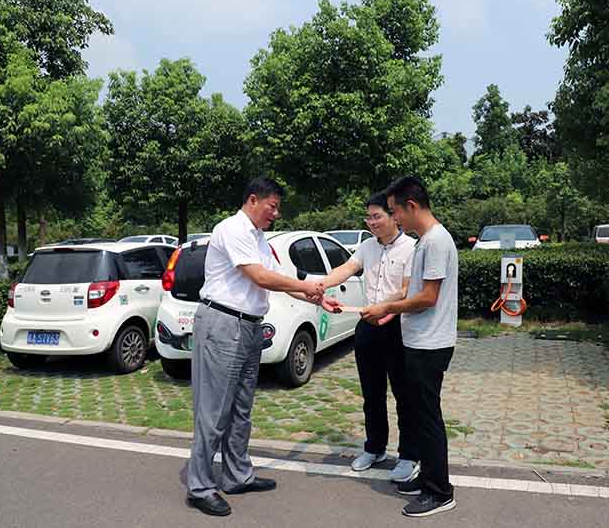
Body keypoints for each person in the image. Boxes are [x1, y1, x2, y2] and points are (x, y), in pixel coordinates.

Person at [186, 177, 339, 517]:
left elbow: (277, 280)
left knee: (241, 408)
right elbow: (260, 277)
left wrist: (318, 299)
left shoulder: (258, 238)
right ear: (253, 200)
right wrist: (305, 285)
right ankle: (200, 487)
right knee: (213, 411)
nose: (276, 214)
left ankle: (237, 475)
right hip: (223, 324)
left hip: (250, 326)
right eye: (273, 206)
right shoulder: (232, 229)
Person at [361, 176, 458, 518]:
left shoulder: (436, 242)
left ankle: (440, 491)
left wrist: (387, 307)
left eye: (395, 211)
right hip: (418, 341)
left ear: (411, 206)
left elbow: (428, 297)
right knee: (418, 413)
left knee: (427, 418)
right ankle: (427, 477)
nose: (394, 218)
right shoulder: (426, 241)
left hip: (430, 344)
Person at [320, 191, 419, 483]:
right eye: (368, 218)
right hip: (367, 327)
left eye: (377, 216)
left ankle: (409, 455)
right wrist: (320, 286)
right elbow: (347, 268)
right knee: (371, 394)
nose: (372, 222)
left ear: (393, 216)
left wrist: (384, 308)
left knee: (404, 394)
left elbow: (406, 289)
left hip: (397, 326)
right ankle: (375, 448)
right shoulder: (366, 246)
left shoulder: (411, 248)